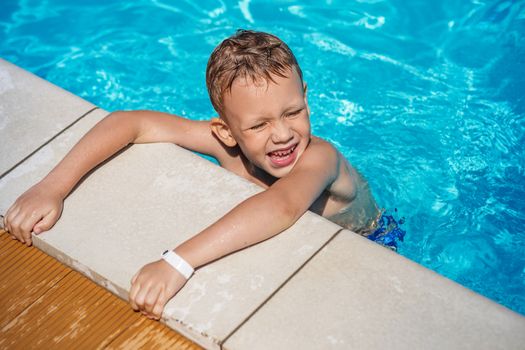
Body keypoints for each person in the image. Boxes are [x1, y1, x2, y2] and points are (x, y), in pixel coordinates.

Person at [2, 29, 399, 321]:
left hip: (372, 241)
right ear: (225, 130)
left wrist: (178, 262)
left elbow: (281, 206)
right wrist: (52, 187)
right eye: (258, 125)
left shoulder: (321, 157)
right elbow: (132, 122)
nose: (282, 133)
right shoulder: (225, 146)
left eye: (293, 112)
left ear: (306, 98)